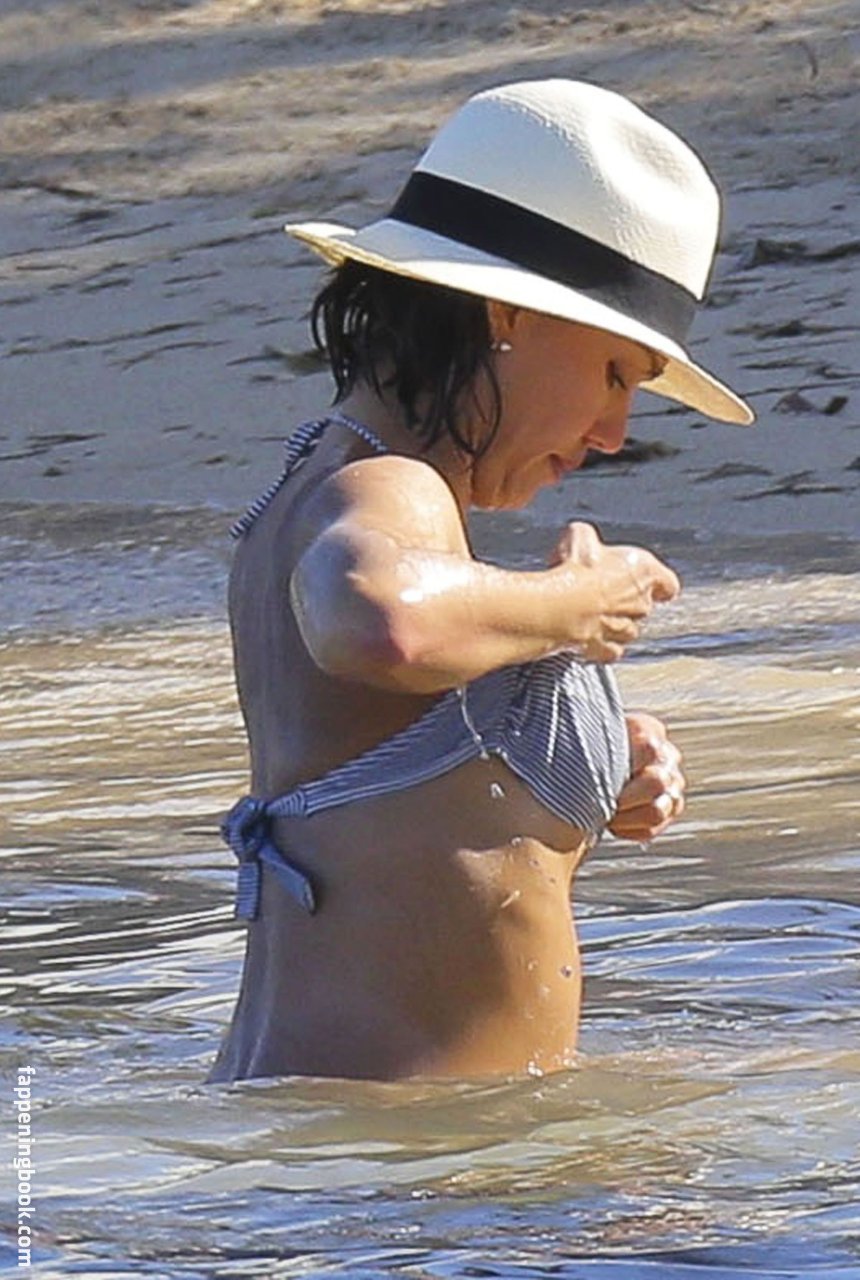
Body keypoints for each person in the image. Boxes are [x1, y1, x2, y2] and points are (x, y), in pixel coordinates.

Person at [207, 79, 753, 1084]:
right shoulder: (389, 485)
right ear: (506, 314)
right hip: (405, 1161)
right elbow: (378, 622)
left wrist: (595, 756)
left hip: (348, 1144)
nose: (615, 432)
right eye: (615, 374)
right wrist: (578, 606)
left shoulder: (321, 485)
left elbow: (402, 773)